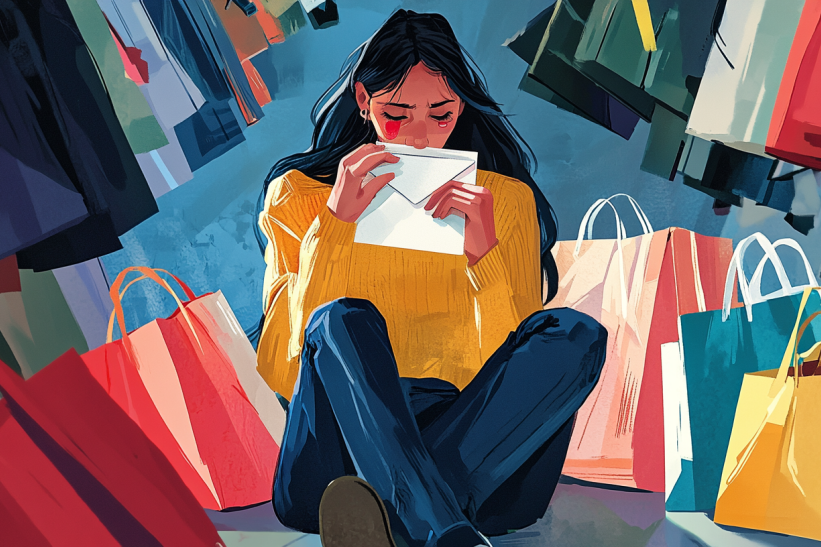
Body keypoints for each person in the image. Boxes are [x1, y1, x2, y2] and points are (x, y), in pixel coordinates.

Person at [254, 10, 607, 547]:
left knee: (576, 334)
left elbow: (506, 373)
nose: (420, 138)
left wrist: (483, 257)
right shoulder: (300, 197)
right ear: (363, 102)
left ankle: (409, 514)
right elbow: (284, 366)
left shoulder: (504, 202)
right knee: (340, 319)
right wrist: (334, 228)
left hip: (474, 447)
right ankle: (440, 531)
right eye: (397, 114)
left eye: (440, 115)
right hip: (337, 459)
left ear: (460, 107)